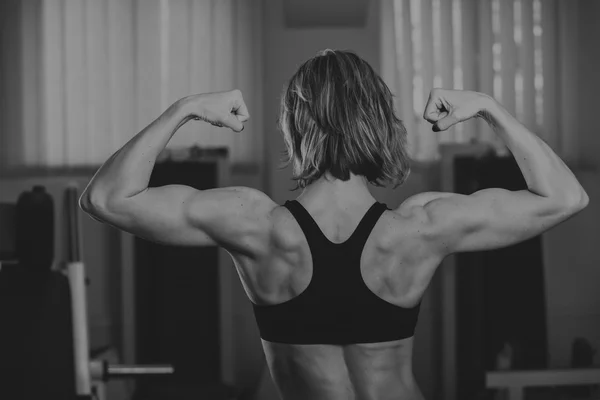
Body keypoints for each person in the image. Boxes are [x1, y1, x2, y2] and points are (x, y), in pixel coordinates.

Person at [80, 49, 589, 400]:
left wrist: (185, 110)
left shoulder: (256, 225)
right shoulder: (419, 227)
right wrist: (487, 108)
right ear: (378, 122)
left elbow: (105, 197)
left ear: (296, 127)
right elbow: (566, 196)